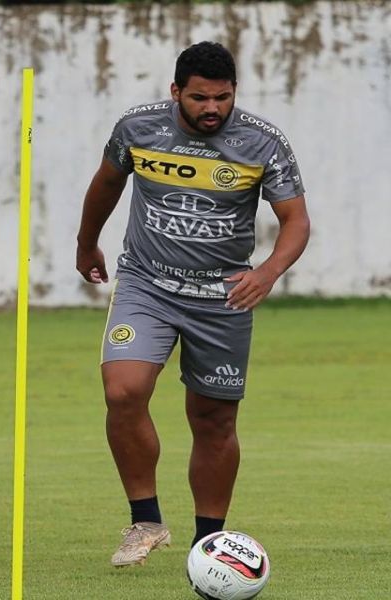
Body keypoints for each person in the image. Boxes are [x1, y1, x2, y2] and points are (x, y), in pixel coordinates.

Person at [75, 41, 309, 567]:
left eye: (222, 98)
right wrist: (86, 242)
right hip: (147, 284)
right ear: (176, 91)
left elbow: (296, 220)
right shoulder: (138, 128)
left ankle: (210, 545)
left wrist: (267, 273)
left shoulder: (263, 143)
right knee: (123, 390)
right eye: (200, 98)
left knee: (213, 420)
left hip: (223, 297)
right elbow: (107, 183)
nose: (212, 109)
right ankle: (145, 522)